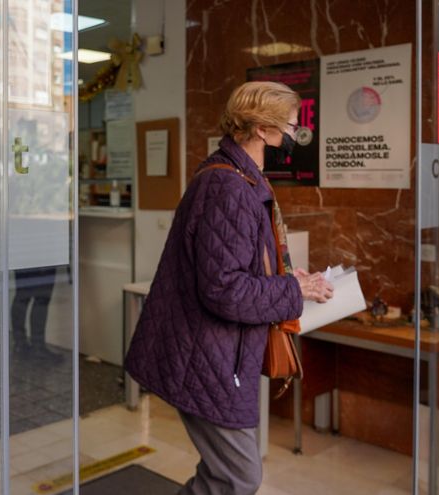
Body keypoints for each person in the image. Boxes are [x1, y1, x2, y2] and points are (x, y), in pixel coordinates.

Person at [124, 81, 333, 495]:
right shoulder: (229, 187)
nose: (295, 138)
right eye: (290, 128)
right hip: (204, 355)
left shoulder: (238, 177)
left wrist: (290, 278)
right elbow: (226, 290)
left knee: (228, 475)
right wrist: (296, 292)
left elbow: (236, 264)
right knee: (239, 476)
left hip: (214, 354)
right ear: (261, 129)